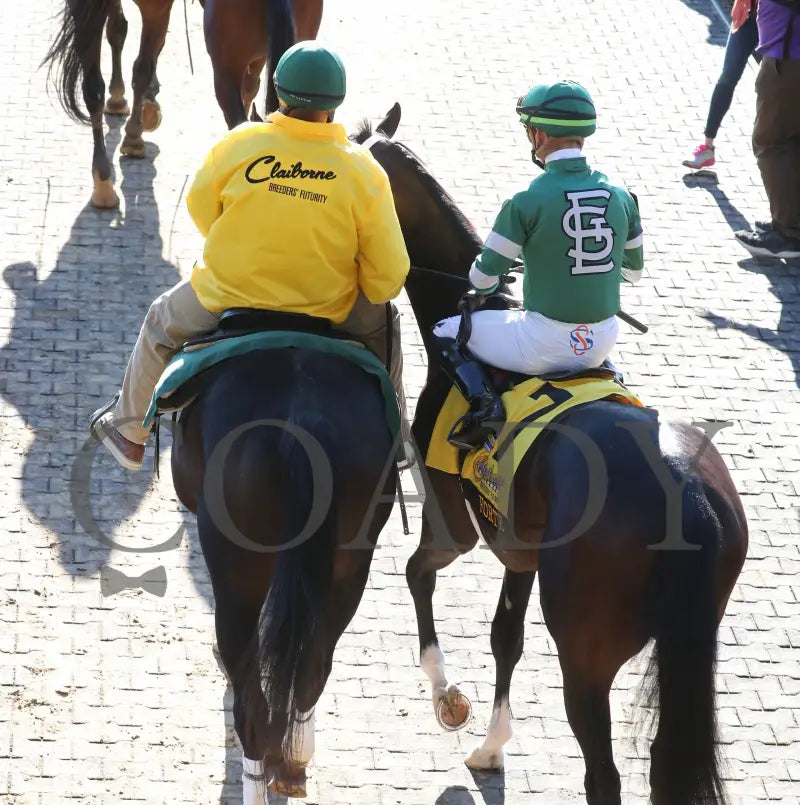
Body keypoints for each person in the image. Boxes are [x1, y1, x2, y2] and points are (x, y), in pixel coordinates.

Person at [91, 41, 411, 470]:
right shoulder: (364, 170)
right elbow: (389, 278)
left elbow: (201, 208)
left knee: (159, 323)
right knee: (389, 325)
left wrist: (241, 241)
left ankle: (129, 435)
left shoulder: (239, 142)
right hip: (328, 306)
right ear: (335, 103)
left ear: (279, 92)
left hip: (226, 296)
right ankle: (397, 442)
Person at [433, 80, 644, 450]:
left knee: (445, 331)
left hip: (543, 342)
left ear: (540, 134)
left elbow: (482, 278)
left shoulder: (525, 200)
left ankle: (485, 407)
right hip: (602, 341)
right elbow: (632, 272)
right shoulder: (623, 196)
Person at [733, 0, 800, 258]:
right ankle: (789, 219)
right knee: (790, 142)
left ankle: (788, 234)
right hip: (787, 53)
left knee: (772, 141)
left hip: (788, 57)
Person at [682, 1, 760, 170]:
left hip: (778, 22)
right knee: (727, 77)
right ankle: (707, 147)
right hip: (747, 17)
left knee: (772, 86)